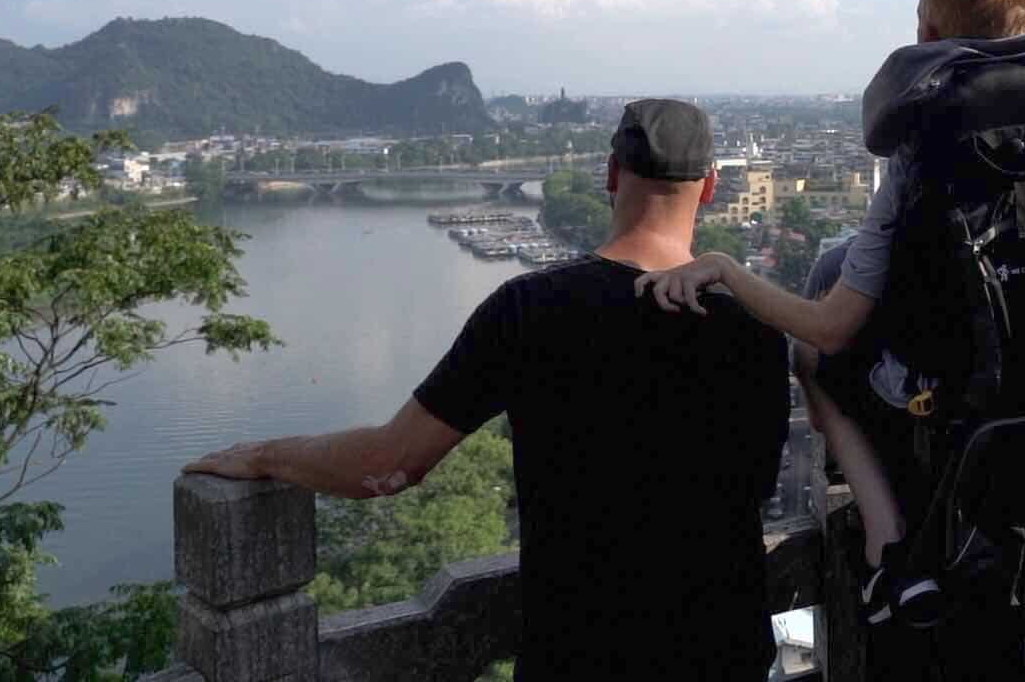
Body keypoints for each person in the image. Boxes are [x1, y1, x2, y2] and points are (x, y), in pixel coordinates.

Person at [639, 0, 1025, 680]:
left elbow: (833, 326)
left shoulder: (918, 144)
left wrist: (723, 269)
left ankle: (885, 541)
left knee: (818, 354)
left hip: (941, 535)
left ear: (927, 33)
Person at [186, 100, 789, 680]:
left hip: (581, 656)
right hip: (725, 648)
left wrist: (269, 455)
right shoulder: (758, 330)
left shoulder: (530, 310)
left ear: (610, 175)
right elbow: (756, 489)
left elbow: (388, 464)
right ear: (710, 187)